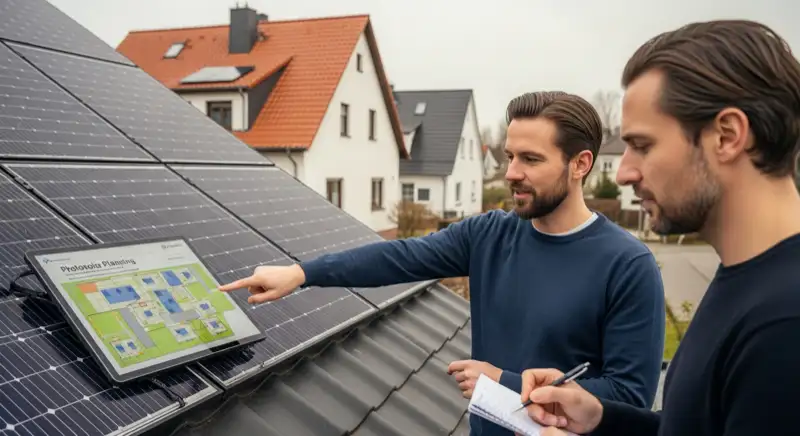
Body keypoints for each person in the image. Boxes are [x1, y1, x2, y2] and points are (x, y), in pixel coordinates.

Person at [219, 91, 666, 436]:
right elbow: (399, 256)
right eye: (510, 156)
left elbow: (629, 398)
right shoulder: (490, 234)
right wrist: (301, 274)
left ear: (580, 164)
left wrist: (505, 382)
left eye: (531, 159)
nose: (511, 172)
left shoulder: (627, 265)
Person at [517, 19, 800, 436]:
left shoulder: (784, 327)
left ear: (727, 136)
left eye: (643, 145)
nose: (626, 171)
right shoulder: (750, 280)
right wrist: (600, 418)